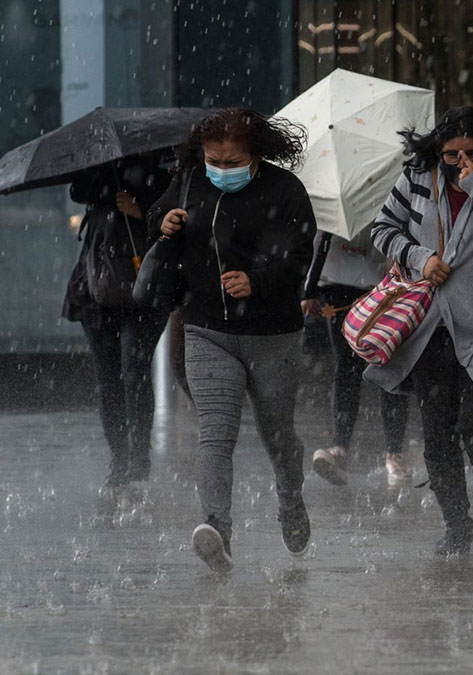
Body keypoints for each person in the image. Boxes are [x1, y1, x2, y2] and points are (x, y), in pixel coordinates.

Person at [146, 107, 317, 571]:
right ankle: (217, 528)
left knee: (277, 434)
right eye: (214, 161)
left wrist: (257, 281)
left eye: (233, 161)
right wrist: (163, 222)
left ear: (255, 155)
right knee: (216, 435)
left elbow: (300, 256)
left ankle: (291, 499)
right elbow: (155, 216)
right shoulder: (189, 181)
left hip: (272, 334)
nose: (222, 169)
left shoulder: (285, 190)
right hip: (207, 329)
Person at [369, 106, 473, 555]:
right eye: (451, 155)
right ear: (436, 151)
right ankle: (456, 525)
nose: (462, 162)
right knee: (437, 433)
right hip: (428, 326)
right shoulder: (416, 179)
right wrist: (419, 258)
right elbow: (382, 229)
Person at [63, 156, 171, 487]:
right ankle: (120, 457)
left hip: (141, 293)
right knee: (108, 379)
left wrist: (140, 210)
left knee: (134, 372)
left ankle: (137, 458)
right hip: (97, 291)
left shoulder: (159, 177)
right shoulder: (96, 173)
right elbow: (78, 191)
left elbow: (176, 225)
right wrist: (106, 179)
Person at [302, 229, 411, 486]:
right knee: (356, 366)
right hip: (345, 285)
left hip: (377, 286)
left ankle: (390, 452)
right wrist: (309, 288)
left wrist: (310, 288)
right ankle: (346, 448)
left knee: (380, 365)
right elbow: (323, 237)